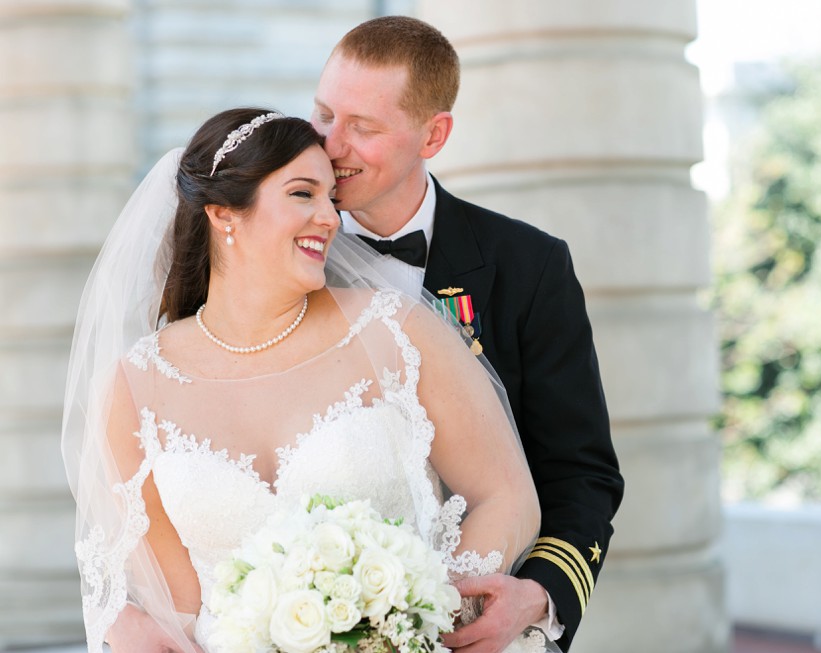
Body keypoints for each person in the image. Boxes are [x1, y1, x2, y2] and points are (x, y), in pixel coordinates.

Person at [63, 108, 545, 652]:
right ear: (224, 215)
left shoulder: (395, 331)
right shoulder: (135, 388)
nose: (331, 218)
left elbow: (507, 494)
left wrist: (424, 614)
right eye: (302, 194)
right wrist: (128, 623)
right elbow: (180, 607)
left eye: (330, 198)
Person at [312, 16, 624, 653]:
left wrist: (537, 597)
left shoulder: (529, 267)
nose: (330, 144)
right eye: (323, 115)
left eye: (362, 127)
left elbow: (581, 475)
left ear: (434, 134)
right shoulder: (284, 258)